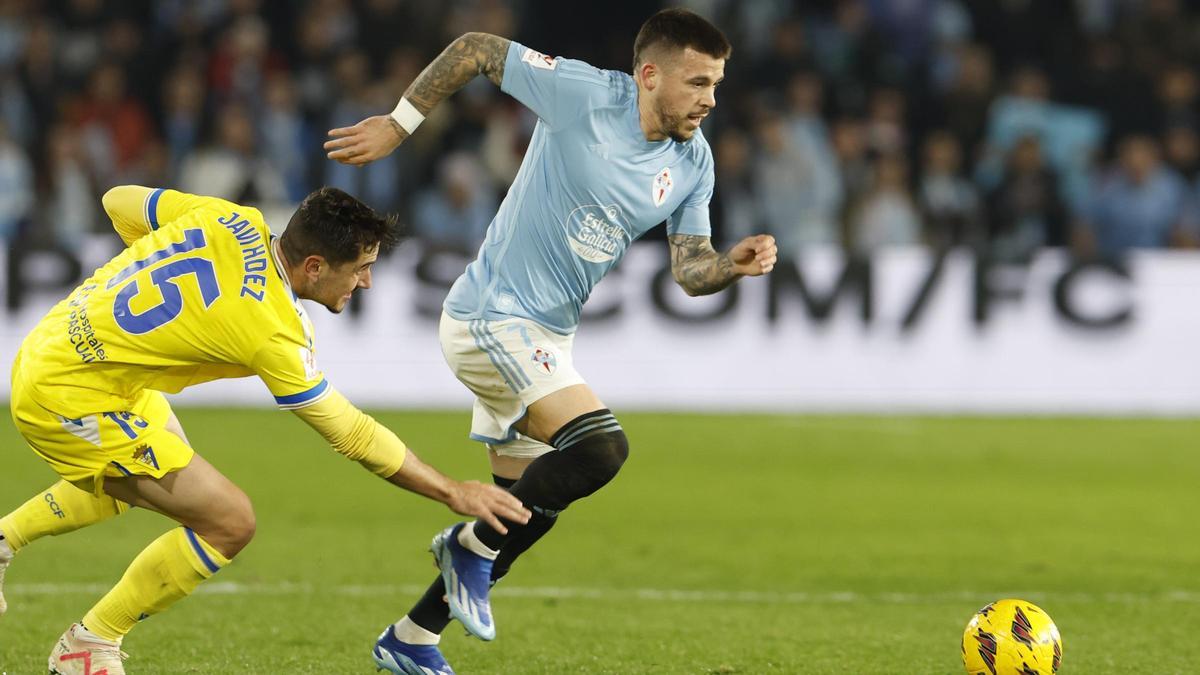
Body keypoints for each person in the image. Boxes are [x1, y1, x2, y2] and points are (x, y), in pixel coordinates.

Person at [325, 8, 777, 674]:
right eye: (697, 82)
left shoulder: (693, 162)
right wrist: (399, 124)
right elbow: (477, 48)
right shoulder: (586, 95)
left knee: (526, 508)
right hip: (490, 316)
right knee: (601, 447)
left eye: (716, 84)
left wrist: (730, 266)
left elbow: (689, 269)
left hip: (546, 335)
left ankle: (413, 635)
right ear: (649, 75)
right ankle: (465, 550)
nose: (710, 99)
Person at [0, 185, 529, 675]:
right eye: (362, 267)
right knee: (229, 521)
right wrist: (451, 490)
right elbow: (352, 433)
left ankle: (5, 540)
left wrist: (144, 264)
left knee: (137, 475)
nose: (367, 281)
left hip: (63, 350)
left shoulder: (231, 218)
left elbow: (117, 199)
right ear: (315, 266)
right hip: (68, 396)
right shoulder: (272, 327)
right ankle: (89, 644)